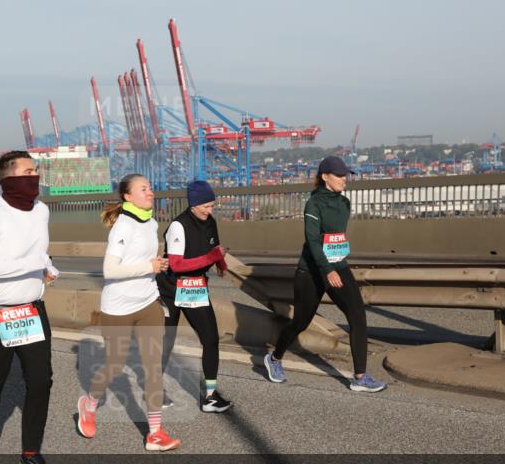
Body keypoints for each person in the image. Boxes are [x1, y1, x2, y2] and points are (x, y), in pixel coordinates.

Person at [0, 150, 58, 464]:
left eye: (36, 170)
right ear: (8, 179)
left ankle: (30, 455)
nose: (35, 176)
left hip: (32, 312)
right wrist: (31, 265)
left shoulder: (42, 211)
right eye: (28, 171)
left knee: (40, 381)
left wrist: (47, 266)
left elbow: (39, 253)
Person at [263, 156, 387, 393]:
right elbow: (312, 240)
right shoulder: (313, 205)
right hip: (311, 271)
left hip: (338, 266)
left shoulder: (344, 203)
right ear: (325, 177)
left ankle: (360, 377)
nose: (344, 180)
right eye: (340, 176)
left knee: (357, 315)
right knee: (301, 322)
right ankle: (275, 358)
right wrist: (326, 269)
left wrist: (336, 264)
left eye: (346, 176)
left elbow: (335, 238)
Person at [77, 174, 180, 451]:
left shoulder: (152, 222)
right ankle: (89, 403)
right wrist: (150, 267)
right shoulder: (122, 227)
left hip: (148, 304)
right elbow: (110, 270)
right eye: (143, 188)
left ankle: (155, 433)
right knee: (114, 365)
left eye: (150, 186)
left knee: (153, 368)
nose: (150, 192)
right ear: (128, 196)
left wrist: (158, 265)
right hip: (118, 308)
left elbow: (145, 262)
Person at [157, 180, 233, 413]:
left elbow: (215, 248)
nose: (209, 211)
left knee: (210, 339)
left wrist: (221, 263)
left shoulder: (210, 221)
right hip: (171, 288)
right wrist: (211, 259)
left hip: (195, 287)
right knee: (165, 342)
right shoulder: (178, 227)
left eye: (212, 206)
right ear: (193, 204)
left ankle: (210, 396)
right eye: (206, 206)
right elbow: (178, 265)